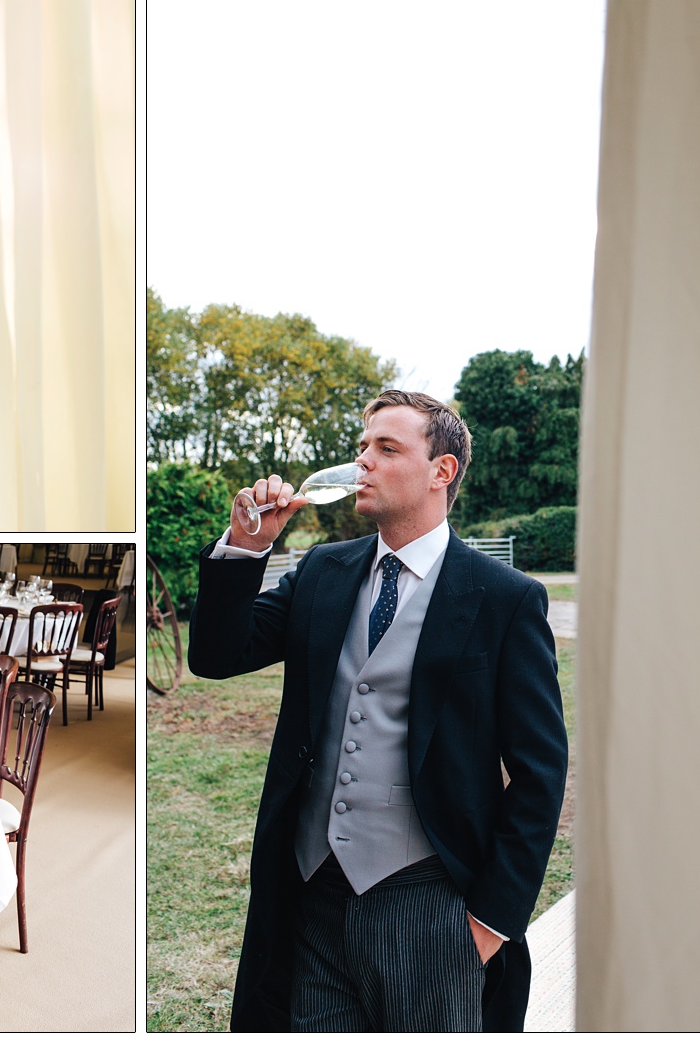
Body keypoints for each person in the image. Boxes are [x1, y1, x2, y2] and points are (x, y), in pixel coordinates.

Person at [189, 389, 566, 1033]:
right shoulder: (324, 570)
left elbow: (539, 774)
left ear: (440, 472)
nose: (364, 460)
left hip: (431, 900)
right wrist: (246, 551)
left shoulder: (505, 599)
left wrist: (488, 924)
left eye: (387, 448)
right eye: (362, 446)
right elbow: (217, 656)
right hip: (311, 890)